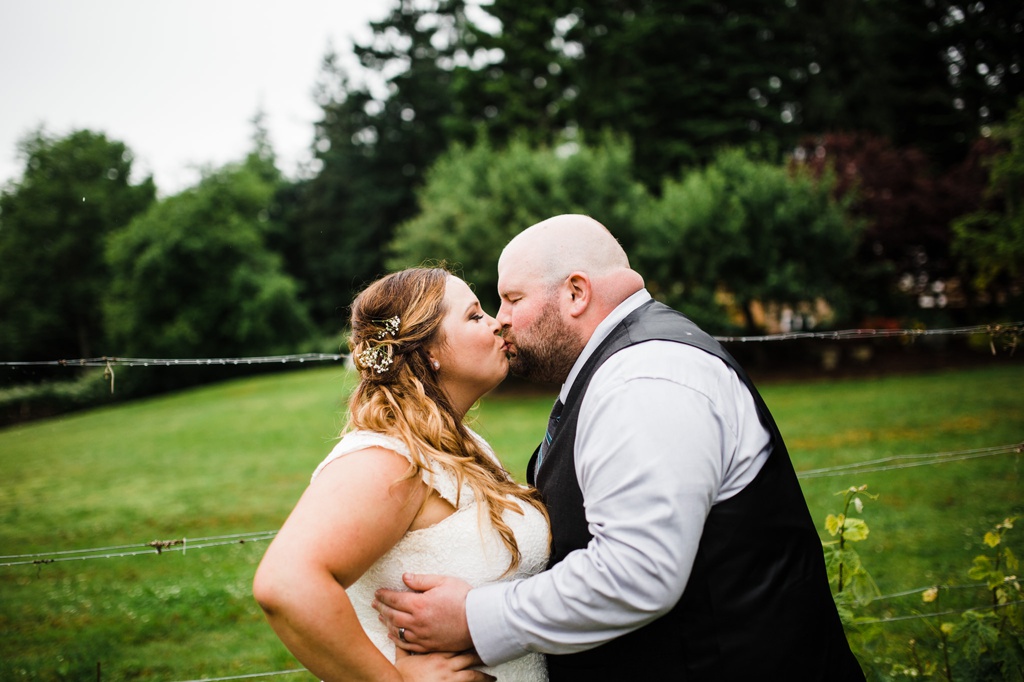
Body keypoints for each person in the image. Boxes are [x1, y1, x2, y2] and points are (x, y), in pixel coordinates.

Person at [373, 215, 865, 680]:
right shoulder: (619, 367)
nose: (501, 321)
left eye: (512, 299)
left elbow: (638, 572)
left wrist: (474, 618)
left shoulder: (643, 378)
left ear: (575, 292)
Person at [252, 267, 551, 682]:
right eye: (474, 315)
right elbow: (286, 584)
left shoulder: (460, 444)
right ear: (431, 351)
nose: (498, 322)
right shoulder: (389, 458)